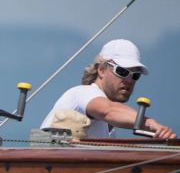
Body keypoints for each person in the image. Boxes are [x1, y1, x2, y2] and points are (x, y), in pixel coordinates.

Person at [40, 39, 175, 139]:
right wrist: (150, 123)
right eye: (122, 71)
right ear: (102, 70)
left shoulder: (110, 127)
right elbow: (108, 110)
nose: (129, 80)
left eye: (135, 75)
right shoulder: (83, 92)